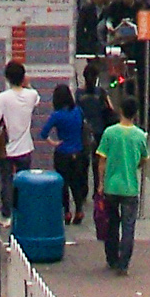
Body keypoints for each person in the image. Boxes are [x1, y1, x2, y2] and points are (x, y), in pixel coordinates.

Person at [94, 95, 148, 273]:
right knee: (128, 225)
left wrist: (101, 183)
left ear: (121, 111)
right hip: (130, 187)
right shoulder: (140, 135)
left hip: (111, 185)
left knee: (111, 223)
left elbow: (101, 160)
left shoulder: (110, 132)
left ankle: (112, 258)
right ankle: (124, 263)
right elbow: (143, 160)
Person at [0, 60, 39, 218]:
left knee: (7, 180)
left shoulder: (3, 98)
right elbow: (36, 99)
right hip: (25, 146)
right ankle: (23, 208)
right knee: (23, 180)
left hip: (7, 147)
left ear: (7, 78)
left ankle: (7, 210)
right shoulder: (31, 95)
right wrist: (27, 84)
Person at [39, 83, 88, 224]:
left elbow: (43, 133)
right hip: (78, 152)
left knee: (63, 184)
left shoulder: (57, 115)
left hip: (62, 153)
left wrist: (54, 142)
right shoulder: (78, 111)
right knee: (76, 183)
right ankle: (79, 209)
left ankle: (66, 212)